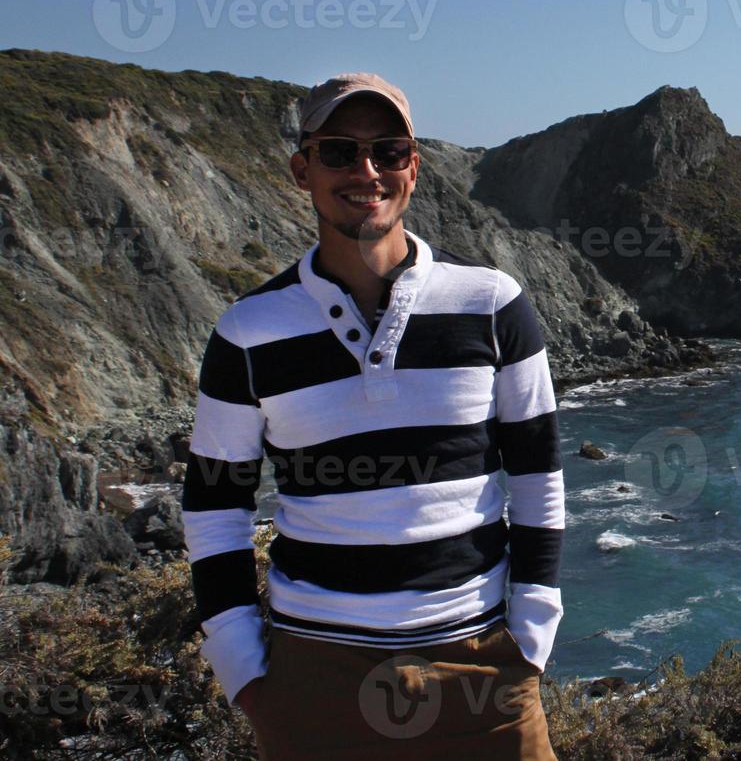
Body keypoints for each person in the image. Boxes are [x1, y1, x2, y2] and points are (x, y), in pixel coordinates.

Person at [180, 73, 563, 759]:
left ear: (413, 167)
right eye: (338, 152)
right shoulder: (247, 333)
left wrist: (531, 638)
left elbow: (537, 475)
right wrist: (245, 674)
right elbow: (214, 505)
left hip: (481, 669)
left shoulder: (494, 304)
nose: (367, 171)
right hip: (315, 677)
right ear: (302, 169)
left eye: (388, 151)